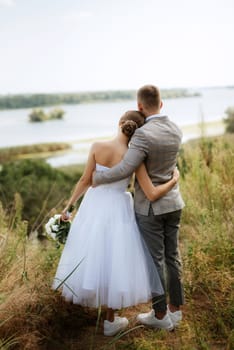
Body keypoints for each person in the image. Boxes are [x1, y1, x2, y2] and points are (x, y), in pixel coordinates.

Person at [52, 110, 180, 336]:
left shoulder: (97, 146)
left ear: (120, 123)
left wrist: (68, 207)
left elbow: (85, 180)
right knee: (115, 260)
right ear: (138, 132)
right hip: (119, 210)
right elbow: (148, 189)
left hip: (94, 206)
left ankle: (89, 319)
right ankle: (111, 320)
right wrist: (174, 180)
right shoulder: (135, 156)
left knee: (93, 255)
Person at [93, 85, 185, 331]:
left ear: (140, 106)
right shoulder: (176, 129)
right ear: (161, 104)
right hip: (174, 203)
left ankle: (159, 314)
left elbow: (124, 169)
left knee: (155, 260)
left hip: (151, 208)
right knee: (172, 256)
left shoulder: (143, 135)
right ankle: (176, 311)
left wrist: (98, 178)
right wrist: (174, 180)